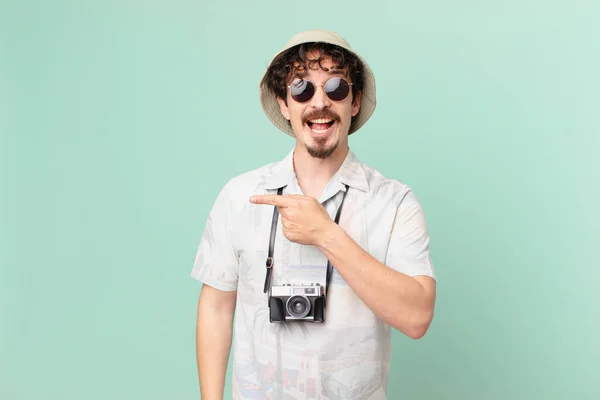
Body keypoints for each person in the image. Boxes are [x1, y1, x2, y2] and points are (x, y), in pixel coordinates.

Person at [191, 29, 436, 400]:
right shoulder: (241, 196)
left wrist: (326, 234)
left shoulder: (395, 202)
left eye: (336, 87)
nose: (319, 102)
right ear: (285, 104)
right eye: (302, 88)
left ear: (354, 103)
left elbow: (417, 317)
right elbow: (216, 307)